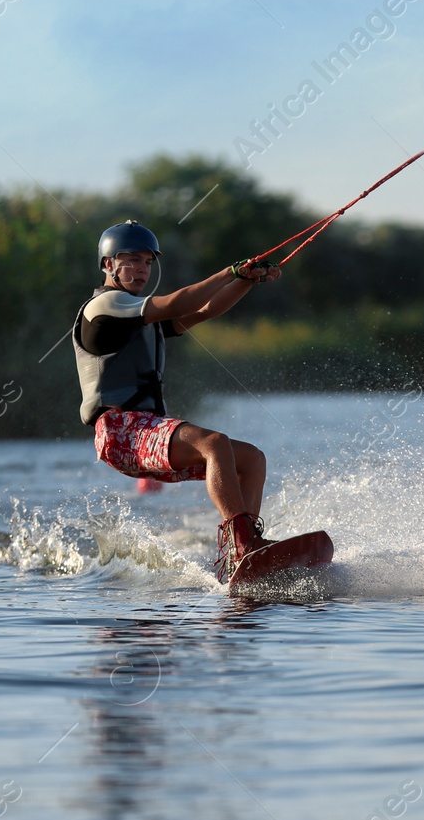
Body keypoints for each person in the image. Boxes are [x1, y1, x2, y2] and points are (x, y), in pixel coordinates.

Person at [72, 220, 282, 582]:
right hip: (120, 431)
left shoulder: (141, 314)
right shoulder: (105, 307)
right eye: (131, 260)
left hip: (145, 431)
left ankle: (240, 558)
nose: (141, 269)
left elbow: (204, 311)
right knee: (214, 444)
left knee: (251, 459)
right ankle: (243, 544)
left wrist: (246, 280)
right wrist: (229, 271)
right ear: (108, 264)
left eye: (148, 263)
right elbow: (180, 301)